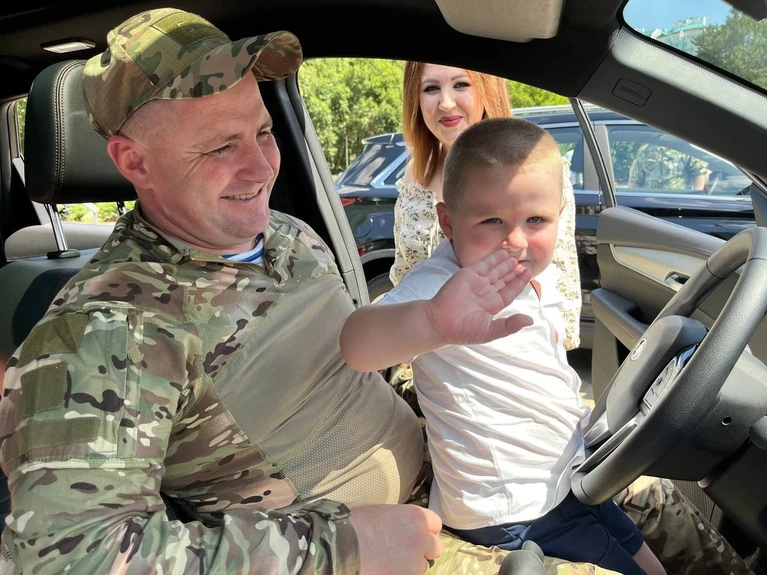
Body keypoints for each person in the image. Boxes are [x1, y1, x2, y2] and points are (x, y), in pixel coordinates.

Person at [0, 8, 754, 575]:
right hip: (386, 543)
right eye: (219, 147)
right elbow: (65, 555)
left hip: (458, 472)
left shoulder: (288, 236)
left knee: (659, 497)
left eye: (260, 132)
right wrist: (341, 547)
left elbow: (364, 361)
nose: (259, 167)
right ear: (133, 160)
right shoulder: (103, 328)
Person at [341, 117, 665, 575]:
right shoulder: (442, 285)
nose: (515, 241)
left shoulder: (540, 277)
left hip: (566, 477)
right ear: (448, 222)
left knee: (652, 565)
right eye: (492, 220)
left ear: (560, 217)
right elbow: (358, 344)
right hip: (511, 508)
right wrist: (432, 322)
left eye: (536, 220)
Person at [390, 61, 582, 351]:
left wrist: (551, 348)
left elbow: (562, 278)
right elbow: (404, 269)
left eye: (461, 84)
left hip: (510, 351)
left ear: (487, 89)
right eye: (431, 89)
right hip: (425, 352)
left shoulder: (535, 169)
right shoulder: (414, 174)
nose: (446, 102)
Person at [628, 144, 709, 191]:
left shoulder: (687, 147)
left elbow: (699, 173)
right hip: (648, 202)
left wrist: (695, 199)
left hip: (678, 201)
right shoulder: (645, 150)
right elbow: (635, 180)